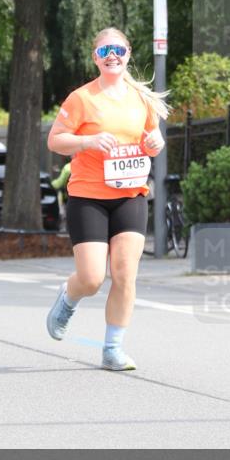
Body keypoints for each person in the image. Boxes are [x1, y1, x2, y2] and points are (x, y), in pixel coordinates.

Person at [46, 28, 168, 371]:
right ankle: (68, 298)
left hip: (130, 194)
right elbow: (56, 141)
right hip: (89, 196)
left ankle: (112, 348)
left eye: (117, 49)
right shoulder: (81, 99)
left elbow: (151, 137)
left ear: (128, 53)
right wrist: (86, 143)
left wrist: (155, 144)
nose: (111, 55)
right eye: (104, 51)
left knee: (125, 273)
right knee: (91, 278)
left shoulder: (142, 99)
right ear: (95, 57)